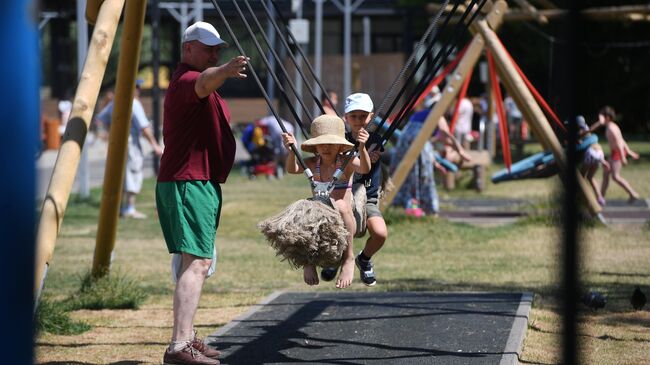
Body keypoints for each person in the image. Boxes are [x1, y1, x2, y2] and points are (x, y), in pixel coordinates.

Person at [155, 21, 247, 365]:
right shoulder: (186, 81)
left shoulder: (195, 81)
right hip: (187, 182)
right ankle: (179, 347)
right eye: (208, 48)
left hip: (198, 182)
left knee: (193, 263)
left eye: (217, 49)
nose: (214, 53)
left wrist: (219, 69)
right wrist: (224, 69)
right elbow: (206, 80)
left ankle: (187, 338)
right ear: (187, 49)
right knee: (197, 262)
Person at [282, 114, 370, 289]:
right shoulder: (312, 163)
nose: (327, 147)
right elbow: (292, 169)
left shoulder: (346, 161)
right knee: (302, 210)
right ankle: (309, 262)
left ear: (340, 146)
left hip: (344, 214)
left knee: (340, 205)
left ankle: (348, 258)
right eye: (322, 143)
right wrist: (292, 151)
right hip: (320, 216)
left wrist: (362, 147)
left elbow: (365, 168)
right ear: (315, 146)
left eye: (331, 143)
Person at [95, 80, 163, 219]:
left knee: (119, 176)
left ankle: (118, 209)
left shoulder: (116, 102)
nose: (138, 90)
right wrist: (155, 145)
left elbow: (101, 119)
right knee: (133, 173)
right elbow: (144, 127)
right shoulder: (134, 103)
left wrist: (111, 132)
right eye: (136, 87)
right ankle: (129, 209)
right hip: (130, 144)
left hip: (116, 144)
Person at [341, 93, 388, 287]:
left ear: (370, 116)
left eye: (363, 116)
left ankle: (364, 259)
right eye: (354, 116)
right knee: (341, 227)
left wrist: (365, 150)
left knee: (380, 233)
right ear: (346, 118)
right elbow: (349, 169)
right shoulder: (340, 142)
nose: (359, 121)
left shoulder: (375, 140)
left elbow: (366, 170)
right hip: (343, 195)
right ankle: (338, 259)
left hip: (367, 196)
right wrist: (363, 153)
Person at [591, 106, 640, 203]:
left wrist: (622, 156)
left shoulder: (611, 129)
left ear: (607, 117)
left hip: (617, 154)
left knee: (615, 177)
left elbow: (619, 143)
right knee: (605, 175)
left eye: (601, 117)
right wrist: (629, 151)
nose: (599, 119)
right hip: (615, 153)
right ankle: (601, 198)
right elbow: (622, 140)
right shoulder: (612, 126)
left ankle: (633, 194)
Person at [577, 116, 610, 206]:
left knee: (581, 177)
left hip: (591, 153)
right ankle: (600, 198)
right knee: (590, 177)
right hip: (599, 152)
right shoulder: (587, 132)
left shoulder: (581, 131)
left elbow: (591, 129)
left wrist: (600, 122)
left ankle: (582, 197)